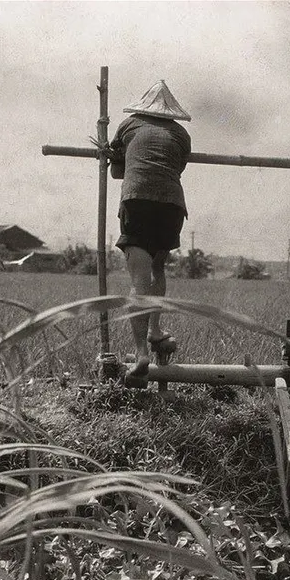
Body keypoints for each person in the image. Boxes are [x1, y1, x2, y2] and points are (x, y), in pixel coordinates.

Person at [109, 80, 191, 387]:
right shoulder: (182, 134)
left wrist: (114, 155)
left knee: (138, 280)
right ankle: (155, 329)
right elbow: (176, 168)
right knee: (158, 268)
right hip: (171, 204)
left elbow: (118, 171)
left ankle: (141, 351)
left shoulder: (128, 125)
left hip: (138, 201)